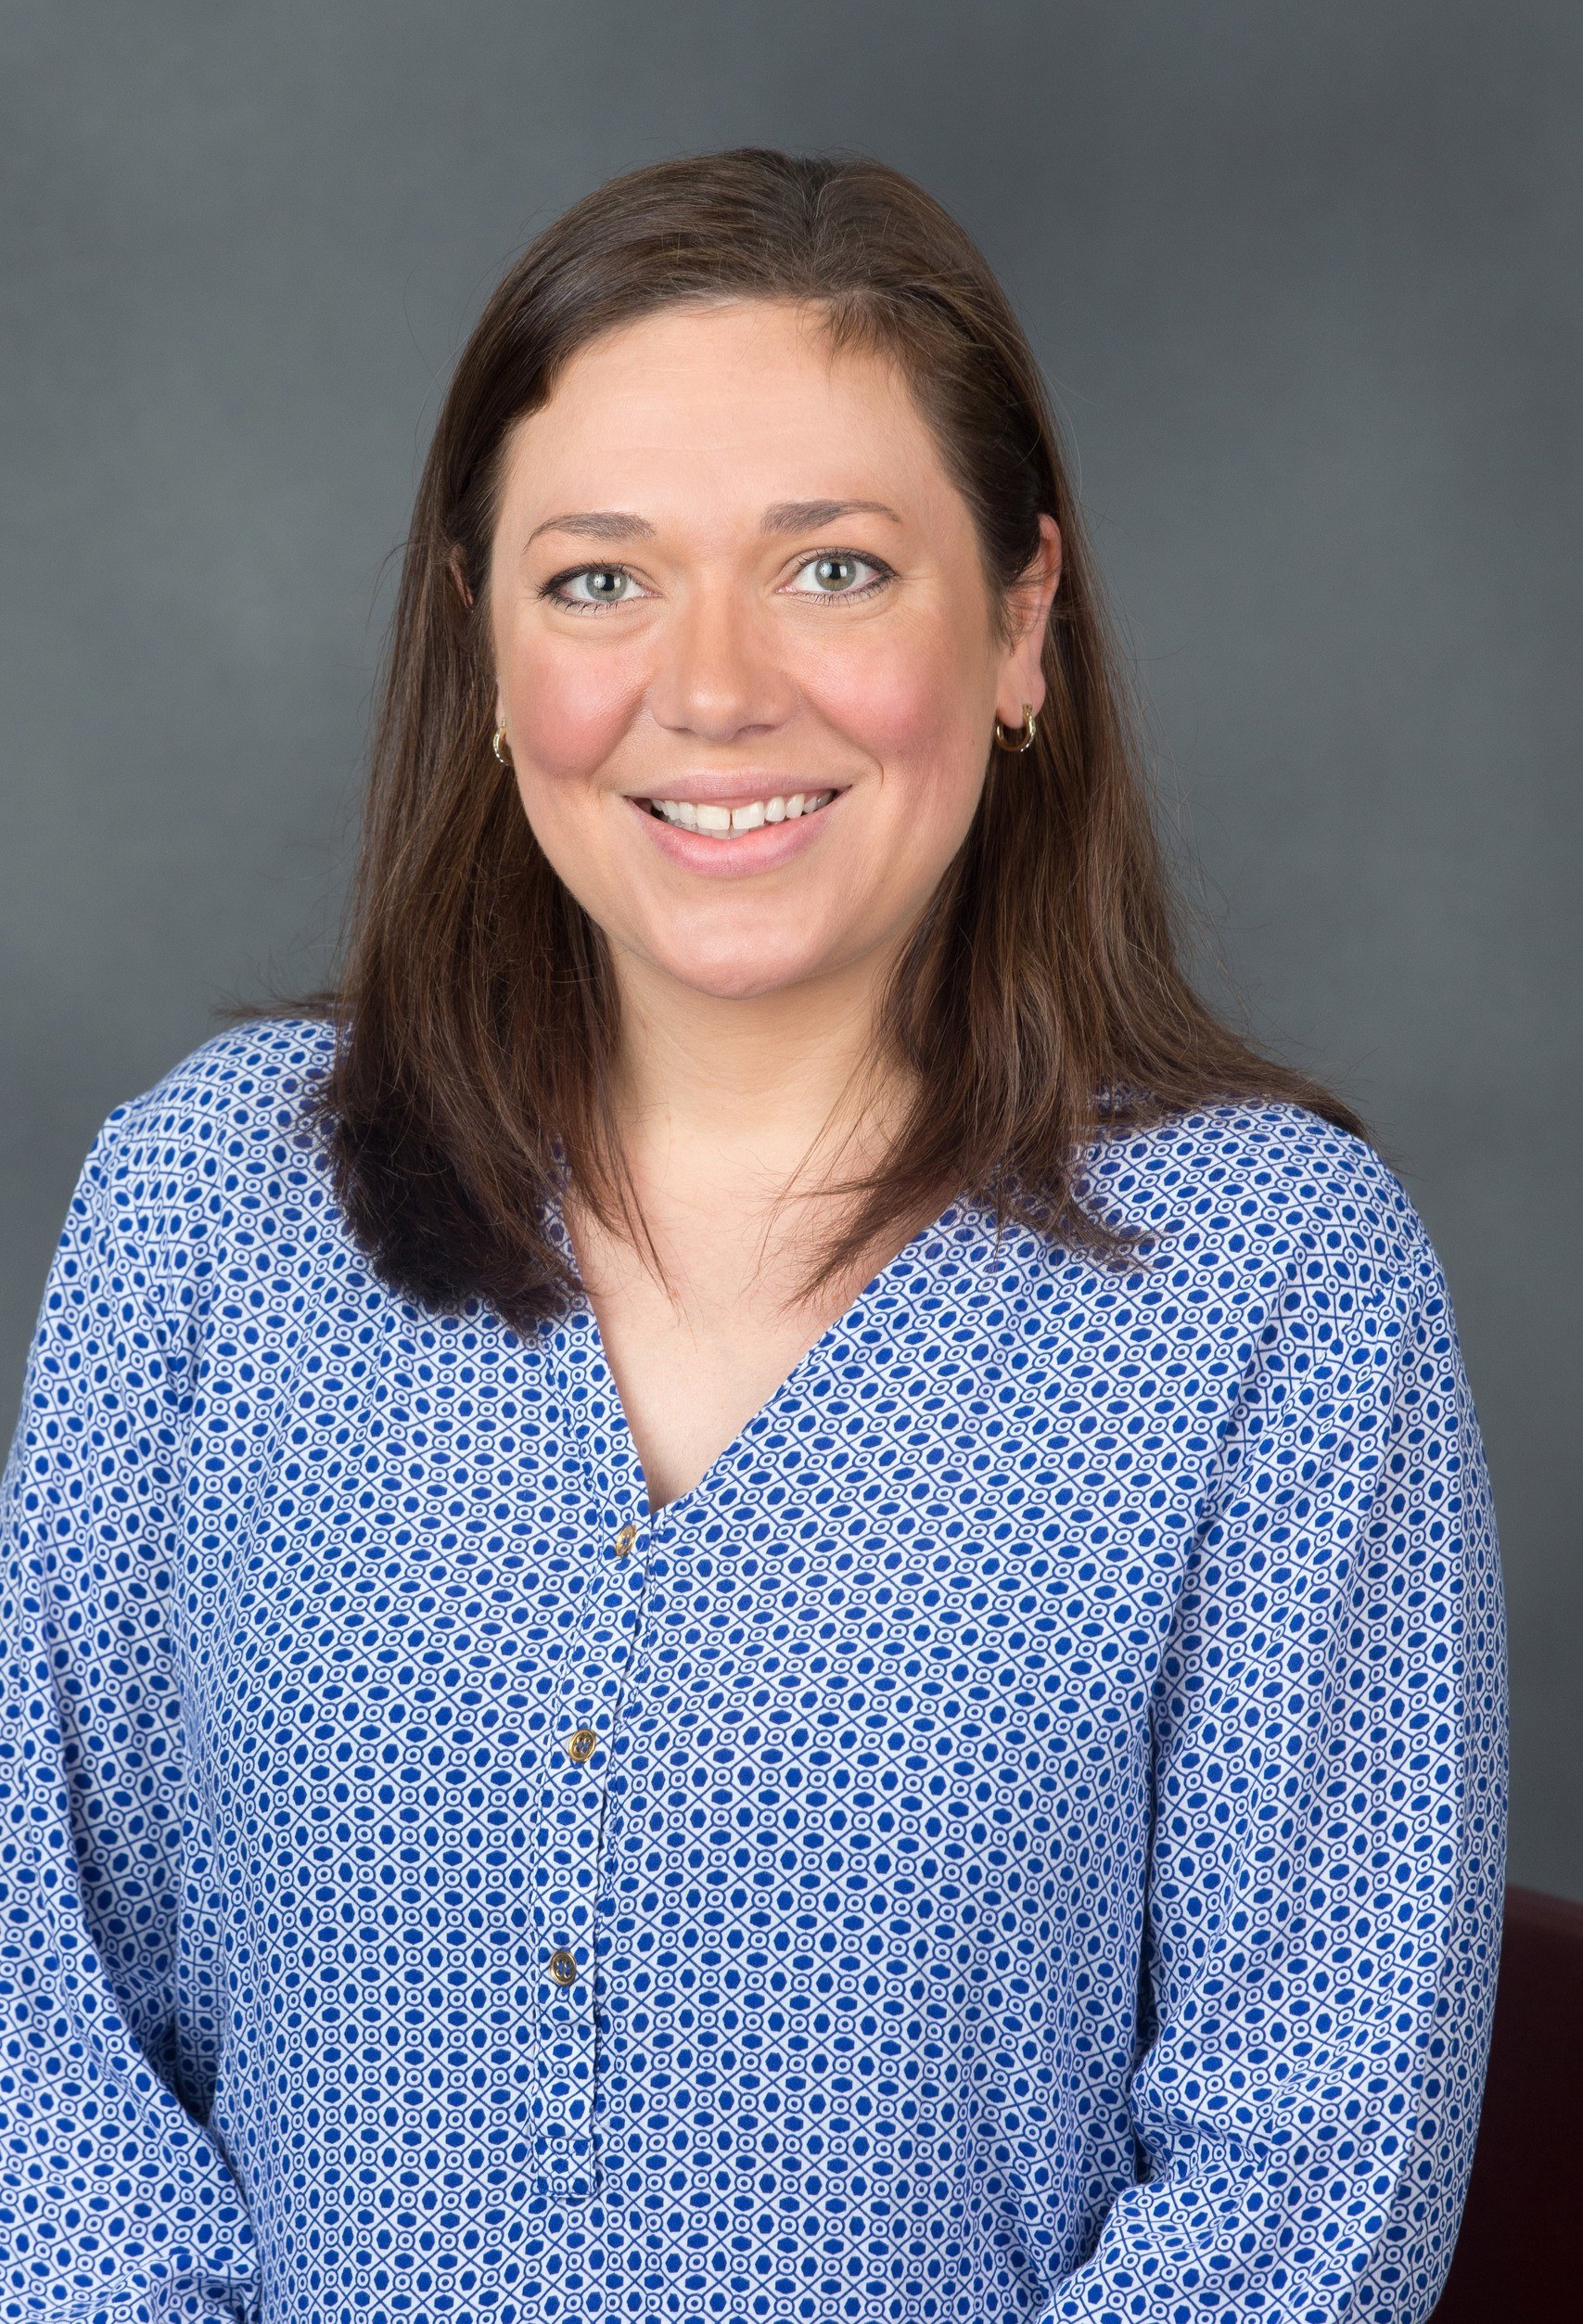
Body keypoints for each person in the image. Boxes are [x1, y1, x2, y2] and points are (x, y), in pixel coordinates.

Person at [0, 149, 1505, 2324]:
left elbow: (1306, 2174)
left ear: (1015, 626)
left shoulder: (1270, 1279)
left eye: (829, 567)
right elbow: (39, 2035)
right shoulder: (208, 1206)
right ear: (483, 643)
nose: (711, 689)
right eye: (599, 581)